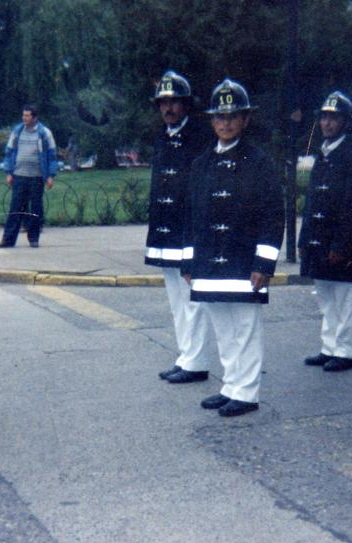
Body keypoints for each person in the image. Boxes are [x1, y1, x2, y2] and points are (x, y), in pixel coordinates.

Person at [182, 79, 284, 417]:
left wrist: (264, 264)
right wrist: (189, 261)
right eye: (219, 118)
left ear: (245, 120)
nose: (225, 123)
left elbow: (273, 216)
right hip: (210, 263)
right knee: (223, 329)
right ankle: (230, 384)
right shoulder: (201, 164)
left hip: (243, 262)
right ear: (212, 121)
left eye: (232, 116)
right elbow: (191, 215)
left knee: (244, 327)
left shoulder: (260, 163)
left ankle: (247, 391)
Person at [145, 70, 212, 384]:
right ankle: (186, 355)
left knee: (192, 300)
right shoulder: (163, 137)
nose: (167, 108)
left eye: (173, 102)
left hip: (188, 232)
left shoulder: (200, 139)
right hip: (164, 231)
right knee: (176, 301)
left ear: (186, 105)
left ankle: (196, 362)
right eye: (163, 103)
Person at [299, 91, 352, 372]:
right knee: (325, 296)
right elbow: (311, 200)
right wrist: (303, 238)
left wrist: (341, 244)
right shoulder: (321, 156)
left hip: (340, 241)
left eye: (333, 118)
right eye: (324, 117)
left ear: (345, 122)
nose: (327, 123)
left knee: (343, 298)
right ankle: (329, 347)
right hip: (317, 238)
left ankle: (346, 351)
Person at [0, 104, 57, 248]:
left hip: (36, 177)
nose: (24, 118)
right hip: (19, 176)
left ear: (34, 117)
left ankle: (34, 238)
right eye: (23, 115)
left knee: (35, 208)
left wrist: (50, 175)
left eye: (27, 115)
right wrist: (9, 172)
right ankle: (8, 240)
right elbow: (9, 152)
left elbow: (52, 155)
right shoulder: (17, 131)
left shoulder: (44, 133)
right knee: (15, 207)